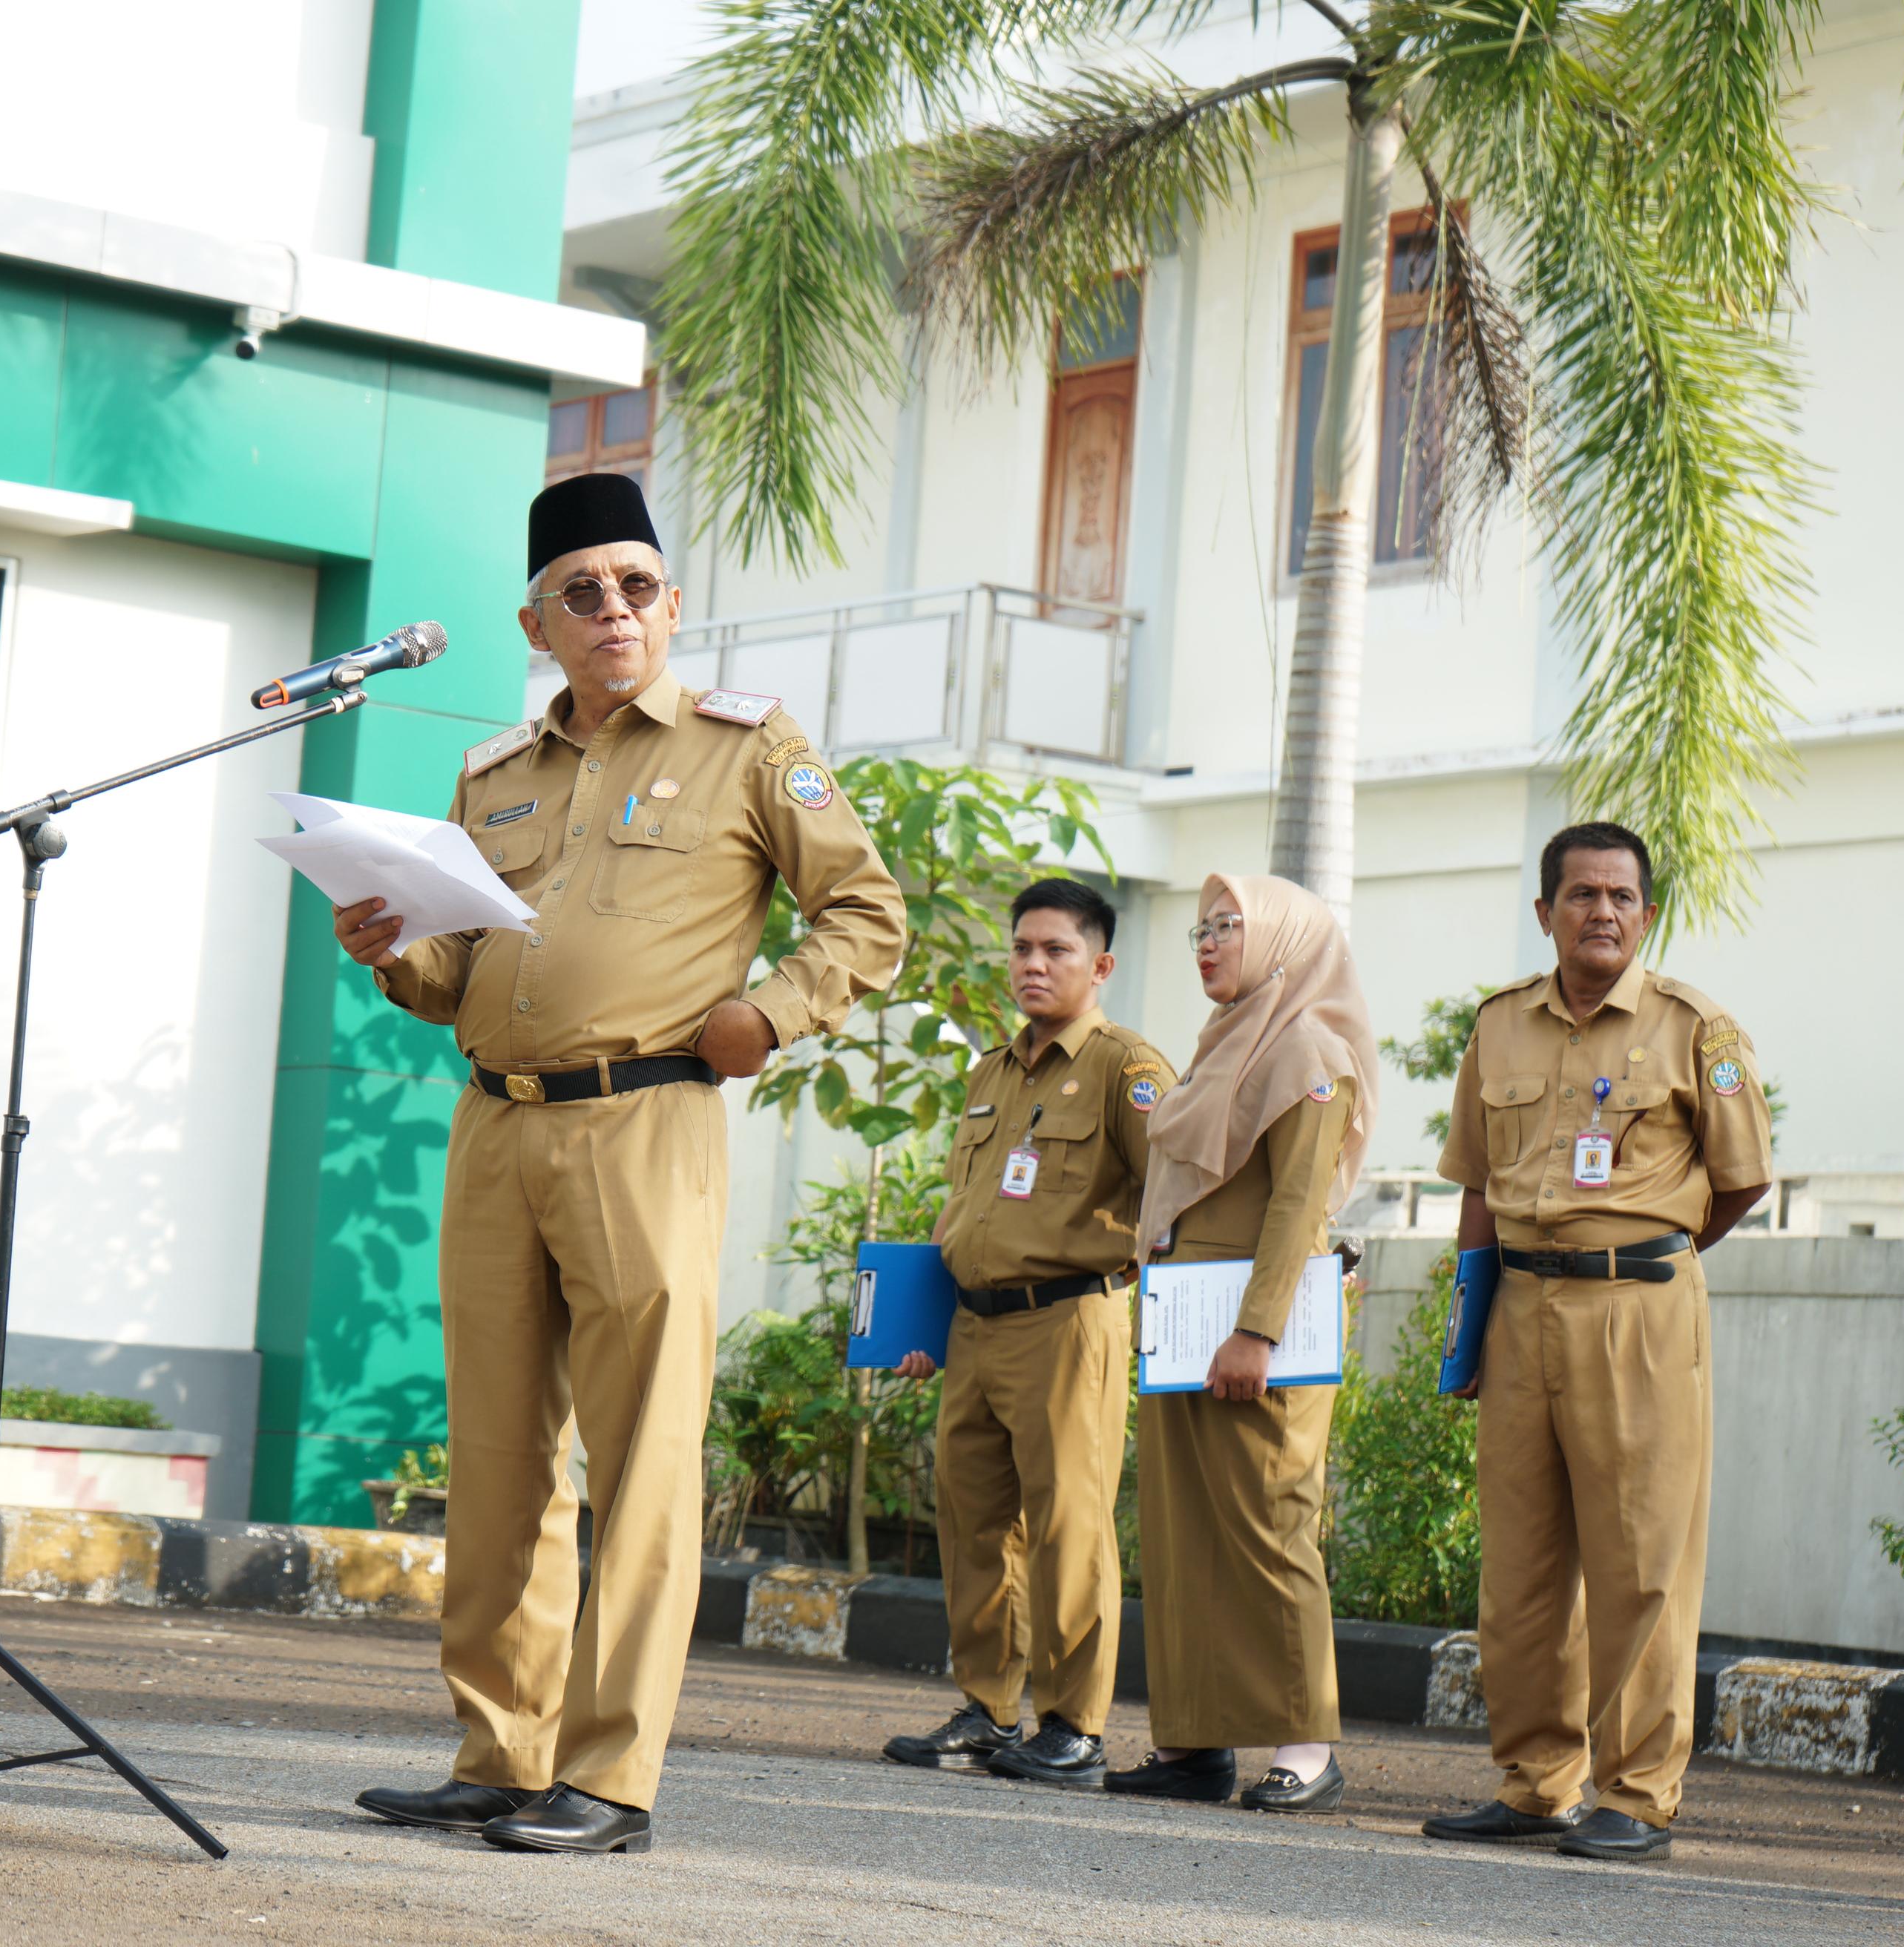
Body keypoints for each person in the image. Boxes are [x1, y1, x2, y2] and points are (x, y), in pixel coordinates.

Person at [338, 473, 906, 1855]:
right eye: (583, 591)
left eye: (637, 586)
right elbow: (453, 964)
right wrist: (389, 949)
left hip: (644, 1121)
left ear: (670, 602)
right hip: (497, 1122)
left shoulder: (747, 746)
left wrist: (766, 1010)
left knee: (640, 1454)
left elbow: (868, 911)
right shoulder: (493, 773)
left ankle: (609, 1771)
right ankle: (501, 1746)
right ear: (534, 616)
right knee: (495, 1456)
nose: (614, 611)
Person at [1422, 822, 1772, 1863]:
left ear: (1647, 913)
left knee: (1639, 1561)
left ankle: (1638, 1792)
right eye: (1581, 896)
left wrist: (1644, 1253)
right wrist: (1467, 1331)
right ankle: (1537, 1784)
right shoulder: (1498, 1028)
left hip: (1639, 1313)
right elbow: (1479, 1189)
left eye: (1622, 896)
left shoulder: (1693, 1028)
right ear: (1546, 914)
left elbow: (1744, 1179)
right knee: (1523, 1564)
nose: (1603, 913)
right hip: (1521, 1306)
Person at [878, 878, 1175, 1787]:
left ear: (1102, 965)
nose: (1035, 965)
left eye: (1058, 950)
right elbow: (962, 1208)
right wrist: (927, 1319)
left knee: (1068, 1525)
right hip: (973, 1328)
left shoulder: (1131, 1068)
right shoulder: (990, 1071)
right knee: (972, 1523)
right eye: (1023, 948)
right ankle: (988, 1707)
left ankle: (1074, 1723)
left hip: (1068, 1322)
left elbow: (1173, 1193)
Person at [1108, 873, 1375, 1813]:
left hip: (1252, 1331)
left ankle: (1308, 1741)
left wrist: (1255, 1329)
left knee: (1270, 1525)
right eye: (1202, 928)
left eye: (1231, 926)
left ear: (1284, 940)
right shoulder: (1225, 1042)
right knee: (1182, 1533)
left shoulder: (1308, 1047)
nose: (1209, 943)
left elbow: (1300, 1200)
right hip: (1186, 1325)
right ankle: (1194, 1742)